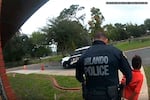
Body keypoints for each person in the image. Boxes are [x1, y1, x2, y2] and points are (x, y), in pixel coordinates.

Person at [75, 32, 132, 100]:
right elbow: (128, 74)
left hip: (91, 95)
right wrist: (123, 85)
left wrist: (84, 81)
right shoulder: (115, 52)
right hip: (111, 95)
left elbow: (78, 76)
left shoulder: (84, 55)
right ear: (106, 40)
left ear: (93, 40)